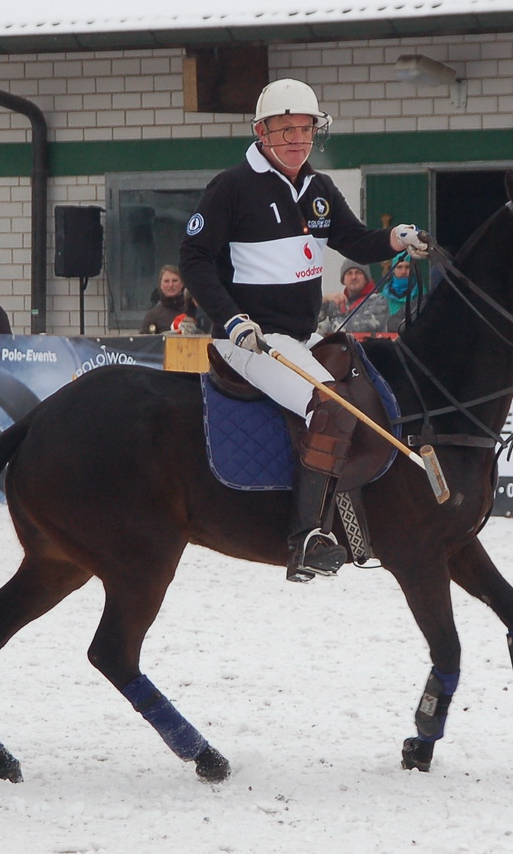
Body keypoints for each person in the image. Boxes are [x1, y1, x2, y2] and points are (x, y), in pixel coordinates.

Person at [179, 77, 428, 582]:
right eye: (285, 129)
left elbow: (354, 240)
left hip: (303, 336)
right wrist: (231, 318)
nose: (297, 139)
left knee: (368, 390)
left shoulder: (319, 189)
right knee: (331, 407)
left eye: (306, 129)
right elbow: (194, 258)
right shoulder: (232, 186)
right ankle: (305, 537)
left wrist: (396, 237)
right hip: (251, 339)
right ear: (261, 132)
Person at [317, 262, 388, 335]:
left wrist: (326, 326)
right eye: (349, 273)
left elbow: (356, 327)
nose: (354, 277)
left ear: (366, 279)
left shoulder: (378, 301)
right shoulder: (337, 302)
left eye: (358, 272)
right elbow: (312, 321)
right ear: (343, 280)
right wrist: (324, 299)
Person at [141, 265, 205, 335]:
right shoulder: (152, 316)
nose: (171, 285)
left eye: (175, 281)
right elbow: (144, 340)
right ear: (161, 285)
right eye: (166, 281)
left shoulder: (196, 312)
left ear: (182, 283)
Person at [381, 252, 416, 319]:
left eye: (407, 267)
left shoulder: (421, 294)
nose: (403, 271)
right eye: (399, 267)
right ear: (393, 270)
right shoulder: (382, 298)